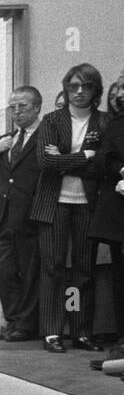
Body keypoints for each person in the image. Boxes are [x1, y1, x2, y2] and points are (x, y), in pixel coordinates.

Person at [32, 64, 108, 353]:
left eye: (85, 86)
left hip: (88, 204)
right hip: (53, 204)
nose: (79, 92)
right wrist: (84, 156)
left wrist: (68, 159)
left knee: (83, 269)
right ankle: (52, 331)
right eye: (73, 86)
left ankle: (80, 330)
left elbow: (101, 167)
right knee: (52, 267)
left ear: (95, 91)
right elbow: (45, 163)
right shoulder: (51, 121)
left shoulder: (103, 123)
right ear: (65, 89)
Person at [0, 87, 43, 343]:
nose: (16, 112)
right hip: (3, 217)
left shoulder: (45, 136)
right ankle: (12, 320)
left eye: (22, 106)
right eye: (13, 107)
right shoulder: (7, 139)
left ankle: (26, 325)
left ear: (37, 108)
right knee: (4, 272)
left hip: (30, 216)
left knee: (29, 273)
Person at [89, 80, 124, 361]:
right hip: (118, 209)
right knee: (119, 276)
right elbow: (103, 158)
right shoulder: (114, 125)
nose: (120, 97)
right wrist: (122, 170)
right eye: (116, 93)